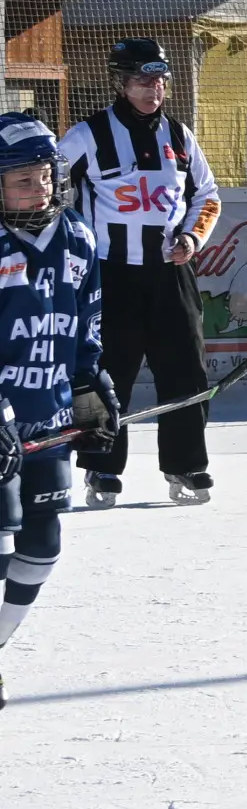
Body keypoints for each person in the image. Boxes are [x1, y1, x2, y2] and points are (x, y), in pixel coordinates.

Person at [57, 38, 222, 506]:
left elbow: (206, 196)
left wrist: (191, 239)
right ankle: (101, 470)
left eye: (160, 80)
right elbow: (50, 188)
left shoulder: (181, 136)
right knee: (107, 373)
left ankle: (187, 464)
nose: (154, 90)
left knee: (186, 369)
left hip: (170, 274)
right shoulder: (88, 135)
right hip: (110, 275)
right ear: (120, 83)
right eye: (143, 81)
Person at [0, 111, 112, 709]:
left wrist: (91, 382)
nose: (38, 188)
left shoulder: (78, 238)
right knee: (0, 533)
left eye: (44, 177)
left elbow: (88, 322)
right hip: (0, 426)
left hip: (47, 423)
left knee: (41, 548)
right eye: (22, 180)